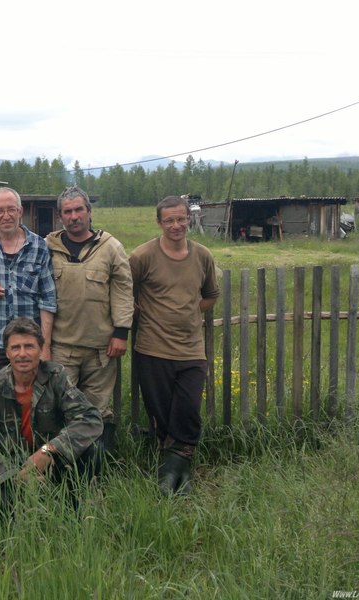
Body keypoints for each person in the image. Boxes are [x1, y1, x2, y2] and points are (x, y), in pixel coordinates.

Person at [129, 195, 220, 496]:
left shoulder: (203, 255)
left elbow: (209, 296)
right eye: (169, 220)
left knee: (188, 409)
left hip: (191, 349)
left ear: (188, 219)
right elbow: (124, 292)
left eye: (181, 218)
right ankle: (178, 476)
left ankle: (169, 475)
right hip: (152, 349)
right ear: (159, 222)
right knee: (162, 414)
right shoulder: (142, 256)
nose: (176, 225)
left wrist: (189, 314)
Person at [0, 317, 103, 509]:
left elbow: (90, 419)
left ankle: (74, 507)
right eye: (16, 347)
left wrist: (49, 450)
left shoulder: (56, 377)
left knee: (93, 448)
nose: (22, 354)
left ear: (41, 349)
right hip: (11, 468)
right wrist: (15, 477)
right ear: (7, 352)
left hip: (52, 460)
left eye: (29, 346)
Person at [46, 186, 133, 452]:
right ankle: (65, 469)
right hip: (63, 346)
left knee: (98, 409)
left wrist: (121, 332)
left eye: (79, 210)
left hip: (101, 349)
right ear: (60, 216)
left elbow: (123, 288)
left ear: (89, 211)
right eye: (67, 211)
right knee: (63, 407)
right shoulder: (48, 247)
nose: (74, 216)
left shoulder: (110, 247)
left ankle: (96, 468)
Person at [0, 187, 57, 377]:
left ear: (20, 212)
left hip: (29, 343)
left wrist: (45, 346)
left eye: (11, 209)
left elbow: (47, 300)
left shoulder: (39, 246)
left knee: (30, 400)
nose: (6, 216)